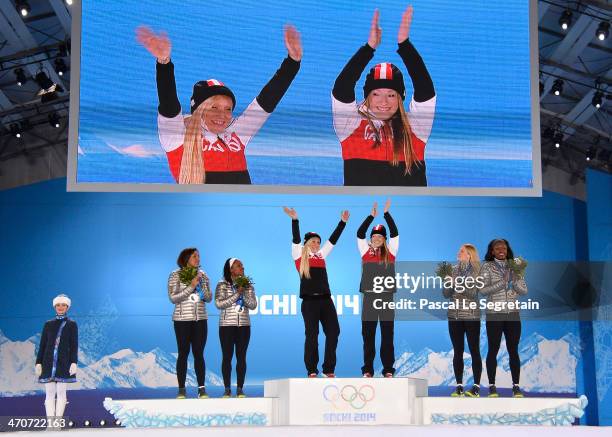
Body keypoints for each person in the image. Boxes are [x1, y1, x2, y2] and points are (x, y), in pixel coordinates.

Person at [136, 25, 302, 184]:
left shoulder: (237, 133)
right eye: (213, 107)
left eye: (228, 109)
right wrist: (164, 63)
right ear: (198, 110)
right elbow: (169, 104)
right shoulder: (177, 136)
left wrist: (292, 62)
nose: (222, 115)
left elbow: (266, 101)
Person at [332, 6, 436, 186]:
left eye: (391, 95)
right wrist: (369, 48)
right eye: (376, 94)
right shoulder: (350, 126)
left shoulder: (416, 128)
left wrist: (405, 45)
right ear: (367, 96)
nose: (383, 102)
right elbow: (342, 89)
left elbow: (425, 90)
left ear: (400, 97)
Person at [283, 206, 349, 377]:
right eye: (313, 241)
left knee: (334, 331)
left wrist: (342, 223)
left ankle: (329, 369)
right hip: (309, 303)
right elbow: (296, 239)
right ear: (306, 243)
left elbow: (333, 240)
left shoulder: (321, 255)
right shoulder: (299, 256)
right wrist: (295, 220)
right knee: (312, 335)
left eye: (318, 242)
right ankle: (312, 369)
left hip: (326, 301)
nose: (317, 244)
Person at [479, 239, 528, 398]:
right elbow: (483, 290)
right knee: (493, 349)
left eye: (504, 247)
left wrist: (514, 281)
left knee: (513, 350)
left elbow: (524, 290)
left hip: (513, 314)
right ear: (492, 251)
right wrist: (503, 281)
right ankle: (492, 386)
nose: (501, 249)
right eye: (497, 247)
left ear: (507, 250)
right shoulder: (486, 267)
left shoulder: (515, 266)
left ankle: (516, 387)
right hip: (495, 314)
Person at [357, 199, 398, 377]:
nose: (376, 239)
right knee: (368, 335)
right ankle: (368, 369)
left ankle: (388, 369)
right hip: (369, 298)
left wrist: (387, 214)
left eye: (380, 237)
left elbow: (395, 233)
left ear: (384, 239)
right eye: (373, 237)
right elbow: (359, 233)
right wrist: (370, 217)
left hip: (387, 297)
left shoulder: (391, 252)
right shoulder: (365, 251)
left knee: (387, 335)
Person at [167, 248, 212, 399]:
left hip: (200, 319)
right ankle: (181, 389)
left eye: (199, 256)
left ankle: (202, 389)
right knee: (183, 353)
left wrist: (201, 287)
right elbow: (173, 298)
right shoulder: (175, 275)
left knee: (199, 354)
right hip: (182, 320)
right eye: (194, 256)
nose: (198, 258)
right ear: (186, 258)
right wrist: (191, 286)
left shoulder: (203, 275)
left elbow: (209, 297)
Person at [442, 244, 482, 397]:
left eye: (462, 251)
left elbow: (472, 293)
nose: (458, 252)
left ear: (469, 255)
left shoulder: (477, 271)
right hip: (454, 316)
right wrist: (449, 282)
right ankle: (459, 386)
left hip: (471, 316)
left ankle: (476, 387)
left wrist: (456, 282)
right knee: (457, 351)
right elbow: (446, 294)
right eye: (459, 250)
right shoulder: (452, 270)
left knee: (474, 350)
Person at [215, 258, 257, 398]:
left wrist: (243, 293)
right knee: (227, 357)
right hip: (227, 325)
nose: (242, 268)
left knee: (241, 357)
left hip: (244, 325)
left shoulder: (248, 285)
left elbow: (253, 305)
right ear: (231, 269)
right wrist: (237, 294)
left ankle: (240, 389)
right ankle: (227, 389)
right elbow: (219, 304)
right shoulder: (222, 284)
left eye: (242, 266)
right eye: (239, 266)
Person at [36, 294, 78, 429]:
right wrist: (38, 362)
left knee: (61, 393)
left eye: (63, 305)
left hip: (63, 363)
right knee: (49, 394)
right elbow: (42, 345)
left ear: (67, 307)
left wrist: (73, 362)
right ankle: (50, 424)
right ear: (55, 307)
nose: (61, 307)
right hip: (48, 363)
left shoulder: (72, 325)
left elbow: (74, 345)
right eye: (58, 305)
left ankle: (57, 423)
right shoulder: (48, 324)